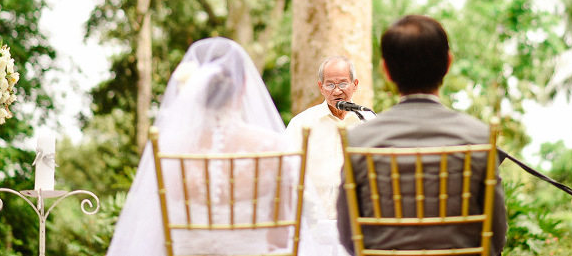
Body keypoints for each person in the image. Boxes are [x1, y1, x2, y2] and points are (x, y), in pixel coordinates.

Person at [106, 38, 300, 256]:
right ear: (244, 84)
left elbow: (153, 235)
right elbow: (282, 239)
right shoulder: (274, 147)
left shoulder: (170, 148)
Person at [336, 15, 508, 256]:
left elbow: (348, 236)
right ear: (448, 63)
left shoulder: (358, 141)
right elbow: (496, 237)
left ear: (386, 70)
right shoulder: (479, 136)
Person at [284, 56, 371, 255]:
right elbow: (286, 172)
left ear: (355, 84)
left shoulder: (368, 121)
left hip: (358, 228)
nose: (337, 90)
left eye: (342, 83)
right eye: (330, 84)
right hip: (314, 230)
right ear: (321, 87)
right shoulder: (301, 124)